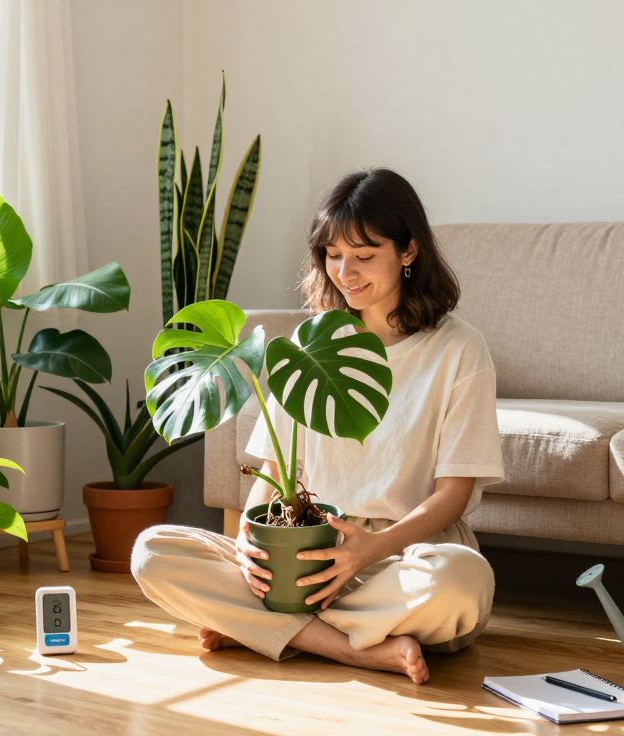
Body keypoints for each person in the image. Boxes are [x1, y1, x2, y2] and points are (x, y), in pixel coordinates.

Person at [131, 168, 504, 684]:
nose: (345, 272)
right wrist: (247, 538)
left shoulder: (460, 350)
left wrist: (370, 549)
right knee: (152, 553)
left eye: (365, 255)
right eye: (332, 255)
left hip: (402, 557)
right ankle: (356, 649)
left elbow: (454, 493)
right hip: (302, 554)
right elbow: (272, 472)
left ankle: (269, 628)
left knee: (463, 584)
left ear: (409, 251)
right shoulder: (312, 344)